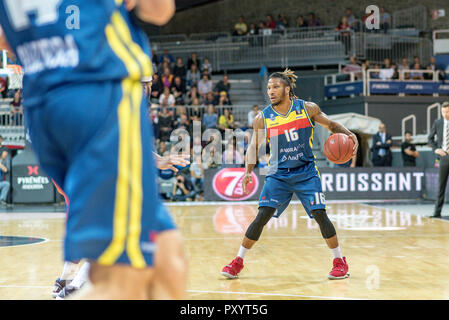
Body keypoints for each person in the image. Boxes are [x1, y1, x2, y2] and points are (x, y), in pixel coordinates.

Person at [0, 0, 189, 299]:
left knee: (166, 250)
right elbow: (159, 10)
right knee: (123, 270)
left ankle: (74, 277)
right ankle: (77, 282)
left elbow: (6, 40)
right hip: (97, 90)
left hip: (42, 109)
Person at [221, 69, 357, 280]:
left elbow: (331, 125)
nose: (271, 91)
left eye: (275, 87)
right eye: (268, 88)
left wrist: (348, 134)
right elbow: (254, 146)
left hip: (306, 172)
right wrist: (247, 170)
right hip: (278, 174)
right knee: (262, 215)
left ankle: (339, 261)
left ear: (287, 88)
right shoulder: (263, 117)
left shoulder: (307, 108)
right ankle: (237, 261)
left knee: (320, 214)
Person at [428, 102, 449, 218]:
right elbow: (430, 138)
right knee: (441, 186)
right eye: (443, 112)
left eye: (447, 111)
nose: (445, 114)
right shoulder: (438, 123)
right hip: (444, 157)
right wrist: (436, 149)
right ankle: (437, 212)